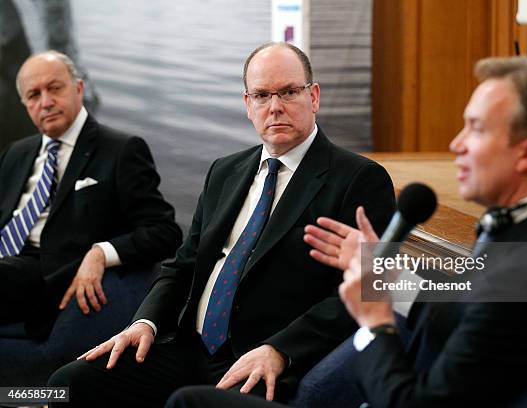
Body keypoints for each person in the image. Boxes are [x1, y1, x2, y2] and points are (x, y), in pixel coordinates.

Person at [164, 57, 527, 407]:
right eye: (261, 95)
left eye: (477, 128)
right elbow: (465, 294)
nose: (457, 144)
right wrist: (386, 276)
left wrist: (376, 321)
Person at [48, 42, 396, 407]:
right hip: (187, 346)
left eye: (289, 92)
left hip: (261, 362)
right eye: (261, 95)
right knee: (66, 385)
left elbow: (369, 288)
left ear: (314, 96)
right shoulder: (224, 171)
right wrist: (144, 323)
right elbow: (182, 266)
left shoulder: (360, 179)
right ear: (248, 105)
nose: (275, 106)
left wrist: (281, 350)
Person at [0, 50, 182, 338]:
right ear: (25, 105)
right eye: (34, 95)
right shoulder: (16, 153)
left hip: (47, 276)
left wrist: (100, 253)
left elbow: (164, 232)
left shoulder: (121, 150)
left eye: (55, 88)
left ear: (79, 88)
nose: (45, 102)